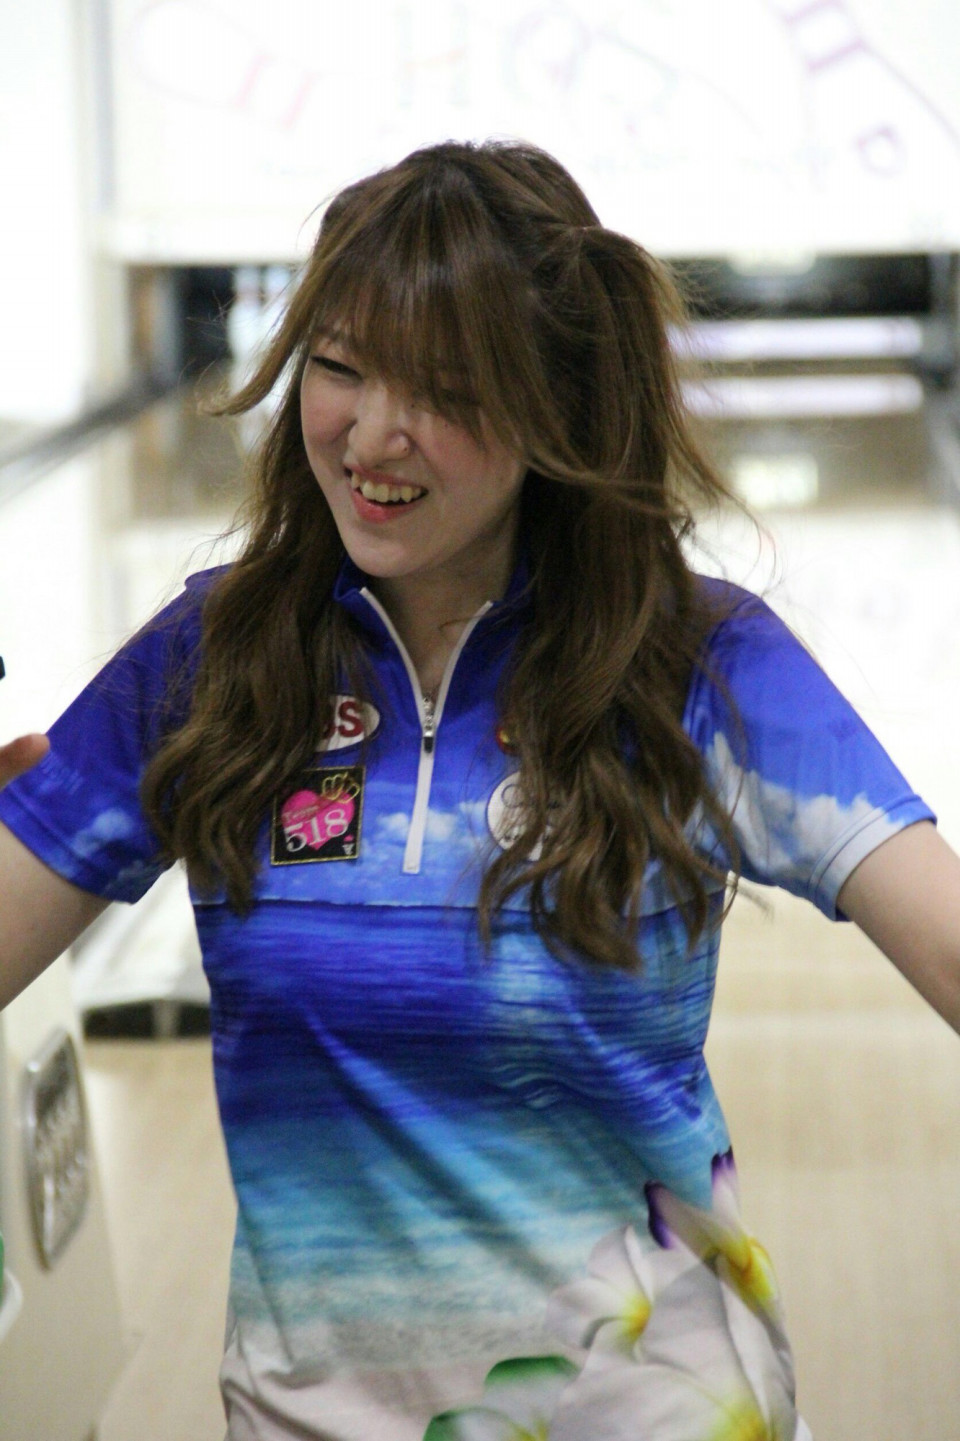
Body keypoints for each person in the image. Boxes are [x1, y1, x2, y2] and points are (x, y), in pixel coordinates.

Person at [1, 140, 958, 1441]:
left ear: (555, 403)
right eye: (341, 366)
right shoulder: (214, 662)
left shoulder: (696, 662)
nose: (370, 436)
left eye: (444, 388)